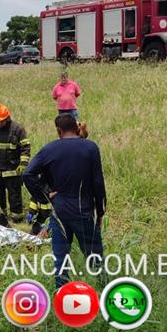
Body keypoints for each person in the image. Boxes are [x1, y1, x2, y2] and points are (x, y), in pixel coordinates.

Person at [23, 114, 106, 289]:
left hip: (59, 211)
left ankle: (61, 293)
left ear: (59, 130)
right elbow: (98, 182)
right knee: (94, 254)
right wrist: (100, 211)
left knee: (60, 258)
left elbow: (28, 173)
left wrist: (45, 194)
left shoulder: (49, 149)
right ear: (76, 128)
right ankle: (104, 288)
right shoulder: (91, 148)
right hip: (84, 211)